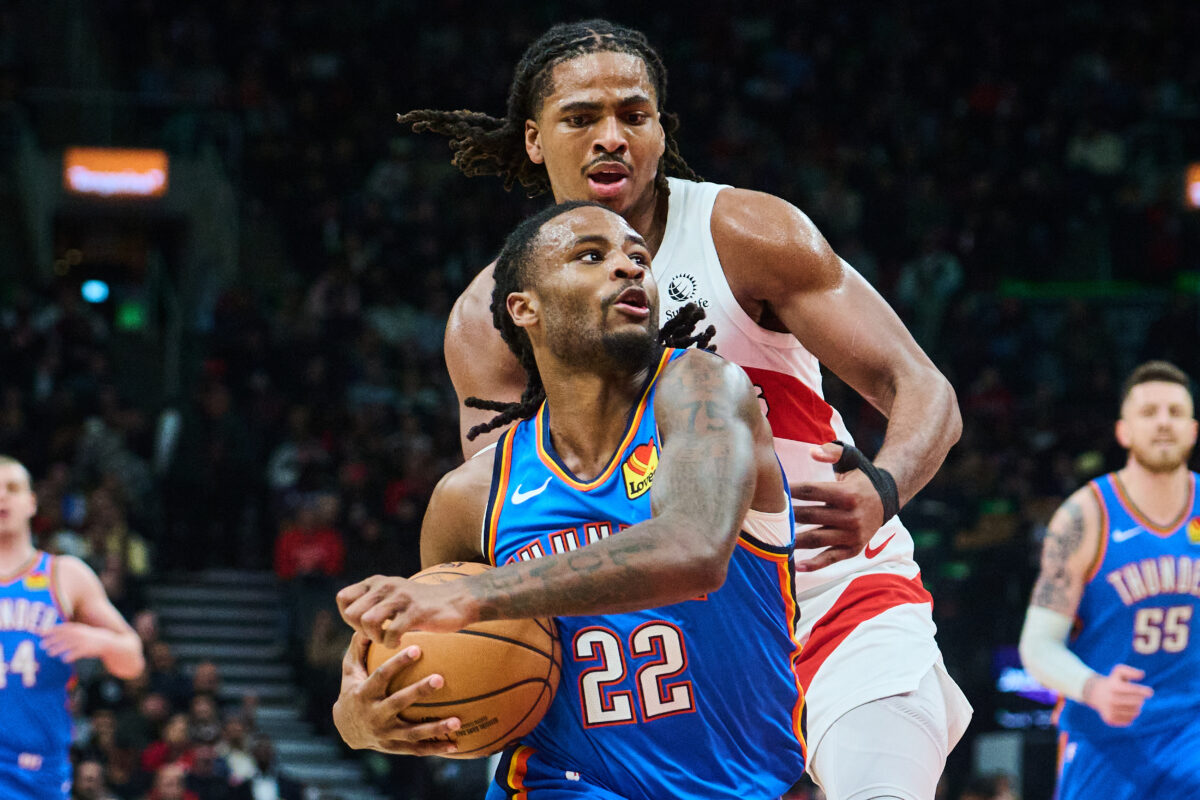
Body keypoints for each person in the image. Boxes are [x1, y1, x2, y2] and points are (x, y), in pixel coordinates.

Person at [398, 19, 970, 798]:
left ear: (662, 131)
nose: (611, 137)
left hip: (831, 598)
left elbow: (921, 386)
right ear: (533, 140)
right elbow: (505, 525)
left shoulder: (742, 232)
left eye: (634, 115)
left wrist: (885, 485)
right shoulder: (491, 318)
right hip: (667, 633)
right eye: (581, 117)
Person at [334, 202, 806, 799]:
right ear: (523, 308)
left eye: (639, 258)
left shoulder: (702, 389)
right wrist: (360, 721)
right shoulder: (472, 496)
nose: (629, 268)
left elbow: (695, 550)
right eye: (591, 255)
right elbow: (443, 664)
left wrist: (474, 594)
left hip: (740, 785)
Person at [1018, 360, 1200, 799]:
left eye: (1175, 412)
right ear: (1124, 431)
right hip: (1102, 735)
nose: (1163, 422)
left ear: (1193, 430)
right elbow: (1037, 645)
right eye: (1149, 412)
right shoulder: (1086, 517)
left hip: (1190, 734)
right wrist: (1093, 688)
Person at [0, 455, 145, 799]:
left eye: (12, 488)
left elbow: (134, 660)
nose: (2, 497)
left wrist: (100, 642)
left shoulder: (65, 575)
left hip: (37, 772)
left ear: (32, 502)